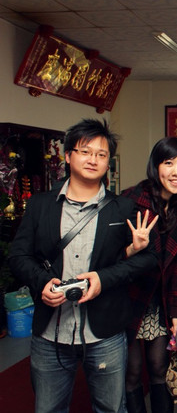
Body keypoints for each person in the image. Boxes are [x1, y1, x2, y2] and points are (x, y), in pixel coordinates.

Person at [8, 119, 158, 413]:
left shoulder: (123, 208)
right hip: (51, 331)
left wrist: (103, 279)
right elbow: (18, 256)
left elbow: (149, 259)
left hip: (105, 331)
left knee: (111, 408)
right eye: (85, 152)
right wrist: (42, 282)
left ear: (108, 162)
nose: (93, 160)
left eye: (101, 154)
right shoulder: (40, 205)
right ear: (68, 156)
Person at [120, 137, 177, 413]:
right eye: (169, 163)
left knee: (159, 366)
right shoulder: (131, 200)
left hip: (160, 300)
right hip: (129, 298)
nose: (176, 172)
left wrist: (176, 310)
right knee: (132, 370)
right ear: (155, 166)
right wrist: (131, 249)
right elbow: (108, 257)